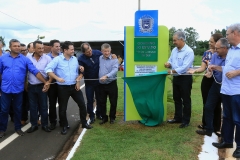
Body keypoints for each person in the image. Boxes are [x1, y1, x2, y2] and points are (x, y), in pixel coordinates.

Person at [0, 39, 49, 138]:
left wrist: (45, 82)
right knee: (4, 110)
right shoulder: (3, 58)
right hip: (5, 89)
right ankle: (2, 129)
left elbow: (35, 71)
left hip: (19, 90)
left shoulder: (25, 59)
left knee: (18, 109)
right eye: (15, 46)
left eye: (18, 46)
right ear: (10, 47)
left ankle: (18, 128)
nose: (17, 47)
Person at [45, 41, 92, 135]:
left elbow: (76, 70)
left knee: (82, 104)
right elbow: (48, 69)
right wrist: (57, 78)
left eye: (73, 49)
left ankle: (84, 123)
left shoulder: (74, 58)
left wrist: (80, 67)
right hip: (63, 88)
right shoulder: (57, 60)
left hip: (75, 86)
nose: (73, 51)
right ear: (65, 50)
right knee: (63, 108)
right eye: (71, 49)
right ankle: (64, 126)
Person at [212, 23, 240, 158]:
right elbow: (228, 68)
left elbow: (234, 70)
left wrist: (237, 72)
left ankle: (239, 147)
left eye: (228, 34)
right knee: (227, 118)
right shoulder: (232, 50)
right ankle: (227, 141)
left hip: (237, 91)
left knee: (238, 119)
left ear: (235, 33)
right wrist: (218, 68)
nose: (226, 36)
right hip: (226, 90)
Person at [188, 33, 223, 133]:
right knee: (206, 103)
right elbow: (202, 68)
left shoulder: (223, 54)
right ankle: (206, 124)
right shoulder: (206, 53)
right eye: (209, 41)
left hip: (217, 81)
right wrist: (194, 71)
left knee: (217, 104)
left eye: (211, 42)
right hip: (207, 80)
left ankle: (216, 127)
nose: (209, 43)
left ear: (218, 43)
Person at [196, 38, 228, 136]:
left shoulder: (231, 57)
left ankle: (224, 134)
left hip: (227, 86)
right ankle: (208, 129)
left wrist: (216, 68)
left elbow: (229, 70)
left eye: (217, 48)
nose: (215, 50)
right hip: (216, 84)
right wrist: (209, 72)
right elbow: (211, 69)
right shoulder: (214, 55)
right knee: (208, 106)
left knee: (226, 111)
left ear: (224, 48)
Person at [164, 31, 194, 128]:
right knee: (176, 98)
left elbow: (185, 67)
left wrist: (172, 71)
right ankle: (177, 118)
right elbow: (171, 60)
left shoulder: (189, 51)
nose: (174, 42)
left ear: (181, 40)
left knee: (185, 99)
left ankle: (186, 121)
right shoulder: (174, 50)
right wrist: (168, 63)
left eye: (175, 40)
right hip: (176, 78)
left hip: (185, 78)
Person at [26, 40, 52, 133]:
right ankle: (34, 125)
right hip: (32, 86)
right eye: (39, 48)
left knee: (44, 106)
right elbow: (25, 73)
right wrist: (26, 85)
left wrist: (48, 83)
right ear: (34, 49)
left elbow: (51, 73)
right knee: (33, 107)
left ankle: (45, 125)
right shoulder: (28, 58)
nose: (41, 50)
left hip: (43, 86)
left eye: (42, 48)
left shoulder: (47, 58)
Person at [78, 42, 103, 124]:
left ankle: (99, 113)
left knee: (99, 98)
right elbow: (79, 67)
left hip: (99, 81)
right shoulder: (81, 58)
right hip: (89, 82)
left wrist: (112, 56)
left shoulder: (98, 53)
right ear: (83, 52)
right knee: (90, 99)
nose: (90, 52)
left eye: (90, 50)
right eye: (88, 52)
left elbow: (106, 56)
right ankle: (91, 116)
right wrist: (80, 67)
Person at [98, 43, 118, 124]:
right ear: (102, 51)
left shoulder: (114, 59)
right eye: (105, 51)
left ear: (110, 51)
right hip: (101, 85)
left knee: (113, 102)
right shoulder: (99, 58)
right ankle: (104, 118)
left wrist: (106, 76)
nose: (107, 53)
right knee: (102, 102)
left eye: (108, 51)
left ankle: (112, 118)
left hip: (111, 84)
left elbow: (115, 70)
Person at [47, 39, 61, 130]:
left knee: (62, 104)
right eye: (56, 46)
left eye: (59, 46)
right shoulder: (46, 58)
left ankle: (62, 121)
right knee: (52, 104)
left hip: (61, 84)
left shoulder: (63, 56)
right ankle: (53, 122)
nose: (59, 48)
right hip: (51, 84)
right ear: (51, 47)